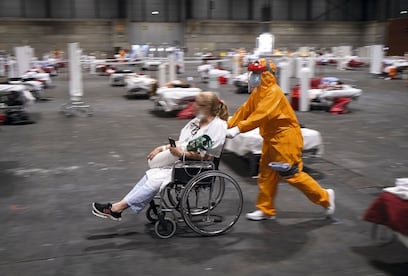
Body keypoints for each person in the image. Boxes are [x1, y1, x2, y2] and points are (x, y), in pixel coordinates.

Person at [226, 58, 335, 221]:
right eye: (252, 73)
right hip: (270, 139)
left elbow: (262, 114)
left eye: (256, 73)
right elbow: (245, 110)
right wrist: (228, 125)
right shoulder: (258, 92)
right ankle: (266, 209)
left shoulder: (273, 92)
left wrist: (238, 129)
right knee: (266, 174)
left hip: (286, 139)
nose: (252, 77)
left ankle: (325, 197)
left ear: (266, 74)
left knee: (291, 174)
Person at [92, 92, 229, 221]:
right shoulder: (197, 121)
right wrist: (162, 148)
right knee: (151, 174)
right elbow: (183, 143)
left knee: (156, 180)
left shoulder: (218, 126)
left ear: (207, 107)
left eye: (197, 103)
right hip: (183, 162)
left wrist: (181, 154)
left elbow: (208, 157)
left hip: (198, 167)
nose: (193, 105)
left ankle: (117, 208)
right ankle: (118, 207)